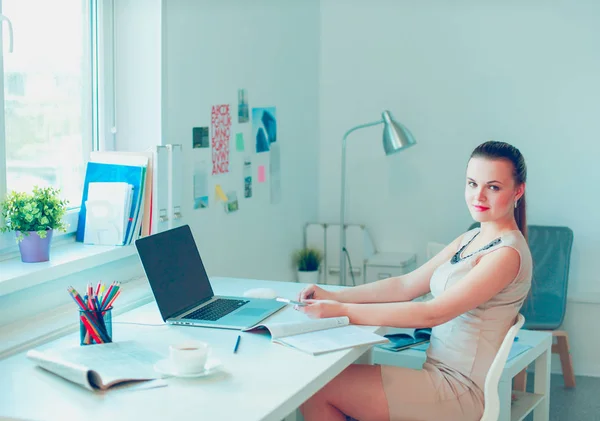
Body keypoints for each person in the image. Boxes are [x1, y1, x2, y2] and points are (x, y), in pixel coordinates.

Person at [296, 140, 532, 421]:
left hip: (458, 391)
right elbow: (405, 285)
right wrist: (336, 296)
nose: (478, 196)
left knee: (314, 389)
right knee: (317, 384)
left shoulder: (506, 254)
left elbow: (433, 313)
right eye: (472, 184)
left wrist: (344, 312)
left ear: (518, 190)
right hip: (437, 376)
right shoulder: (471, 238)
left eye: (493, 187)